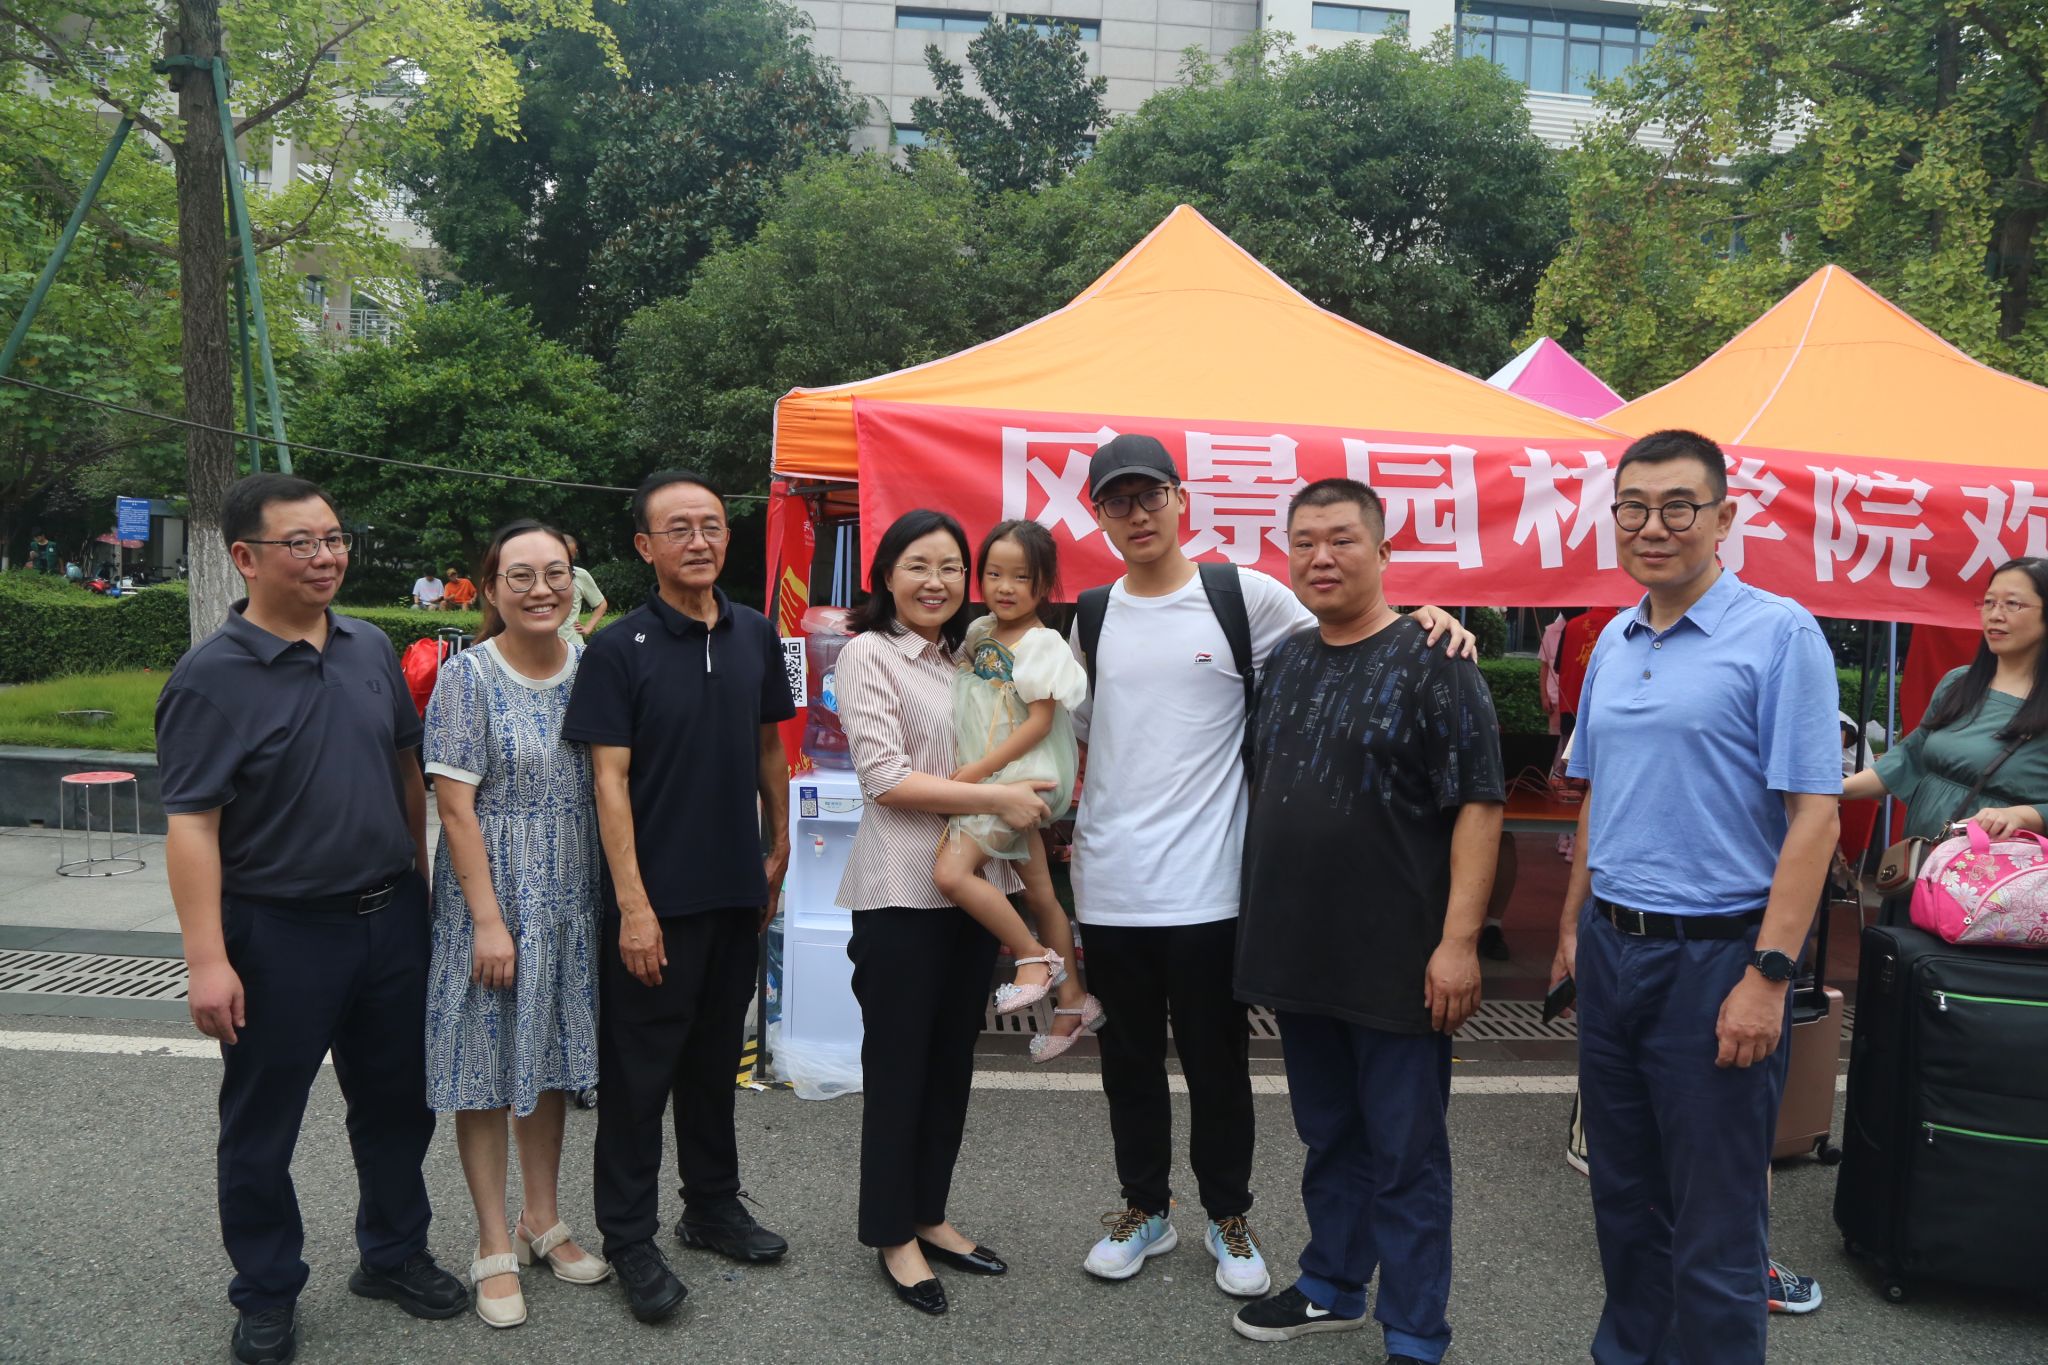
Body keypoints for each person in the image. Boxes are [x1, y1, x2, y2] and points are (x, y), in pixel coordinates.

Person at [1067, 433, 1474, 1300]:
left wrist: (1430, 616)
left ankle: (1229, 1213)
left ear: (1180, 499)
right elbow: (1064, 732)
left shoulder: (1241, 595)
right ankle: (1145, 1207)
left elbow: (1354, 626)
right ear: (1098, 515)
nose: (1137, 514)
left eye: (1150, 495)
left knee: (1217, 1065)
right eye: (1117, 501)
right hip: (1110, 884)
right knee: (1127, 1065)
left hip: (1214, 886)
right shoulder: (1091, 616)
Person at [156, 473, 466, 1365]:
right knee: (263, 1126)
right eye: (301, 542)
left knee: (397, 1106)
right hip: (279, 934)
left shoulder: (369, 645)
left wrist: (419, 889)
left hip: (389, 919)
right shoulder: (209, 679)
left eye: (333, 538)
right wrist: (206, 959)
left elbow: (406, 770)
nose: (326, 556)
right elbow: (192, 826)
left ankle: (394, 1252)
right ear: (245, 557)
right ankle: (265, 1290)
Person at [1549, 429, 1841, 1364]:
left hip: (1719, 958)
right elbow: (1599, 793)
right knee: (1624, 1204)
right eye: (1633, 507)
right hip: (1613, 950)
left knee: (1714, 1226)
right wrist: (1571, 930)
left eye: (1679, 506)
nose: (1653, 526)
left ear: (1724, 517)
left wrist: (1768, 974)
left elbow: (1815, 816)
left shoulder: (1779, 634)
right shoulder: (1613, 638)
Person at [1230, 479, 1504, 1365]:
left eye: (1343, 539)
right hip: (1300, 951)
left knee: (1406, 1151)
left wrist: (1458, 942)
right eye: (1304, 541)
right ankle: (1333, 1282)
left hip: (1400, 958)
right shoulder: (1288, 659)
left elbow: (1479, 805)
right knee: (1328, 1133)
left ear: (1384, 552)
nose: (1322, 557)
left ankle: (1416, 1329)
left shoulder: (1437, 659)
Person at [561, 470, 794, 1325]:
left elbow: (770, 748)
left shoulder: (755, 632)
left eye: (712, 525)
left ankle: (712, 1205)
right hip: (653, 903)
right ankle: (629, 1237)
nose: (699, 540)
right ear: (644, 546)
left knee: (712, 1063)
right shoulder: (618, 649)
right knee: (637, 1077)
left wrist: (778, 847)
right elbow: (608, 783)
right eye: (679, 528)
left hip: (735, 891)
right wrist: (633, 906)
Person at [834, 508, 1055, 1315]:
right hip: (901, 889)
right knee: (899, 1069)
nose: (937, 581)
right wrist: (998, 796)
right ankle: (892, 1232)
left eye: (952, 567)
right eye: (919, 565)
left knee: (950, 1066)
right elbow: (886, 779)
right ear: (886, 574)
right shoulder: (868, 652)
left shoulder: (964, 656)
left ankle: (929, 1211)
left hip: (973, 886)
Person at [423, 520, 609, 1330]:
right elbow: (454, 808)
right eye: (521, 575)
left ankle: (543, 1216)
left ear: (575, 581)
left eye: (556, 573)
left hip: (569, 897)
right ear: (492, 588)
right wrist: (488, 922)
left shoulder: (591, 668)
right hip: (492, 900)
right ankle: (492, 1238)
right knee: (483, 1066)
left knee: (551, 1059)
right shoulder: (467, 676)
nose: (541, 589)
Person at [930, 519, 1100, 1060]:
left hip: (1021, 775)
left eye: (1021, 577)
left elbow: (1038, 723)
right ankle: (1074, 999)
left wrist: (976, 772)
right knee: (1039, 891)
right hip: (995, 775)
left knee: (951, 873)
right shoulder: (980, 631)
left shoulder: (1043, 643)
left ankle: (1033, 957)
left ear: (1044, 583)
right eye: (994, 574)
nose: (1005, 587)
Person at [1842, 557, 2048, 842]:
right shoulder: (1958, 682)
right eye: (1989, 602)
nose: (1995, 614)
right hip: (1926, 857)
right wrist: (1833, 788)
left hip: (1999, 865)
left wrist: (2023, 815)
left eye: (2012, 604)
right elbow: (1908, 757)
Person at [561, 534, 610, 639]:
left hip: (574, 644)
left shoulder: (580, 575)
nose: (566, 560)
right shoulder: (540, 576)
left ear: (575, 553)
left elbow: (602, 604)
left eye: (570, 556)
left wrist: (588, 628)